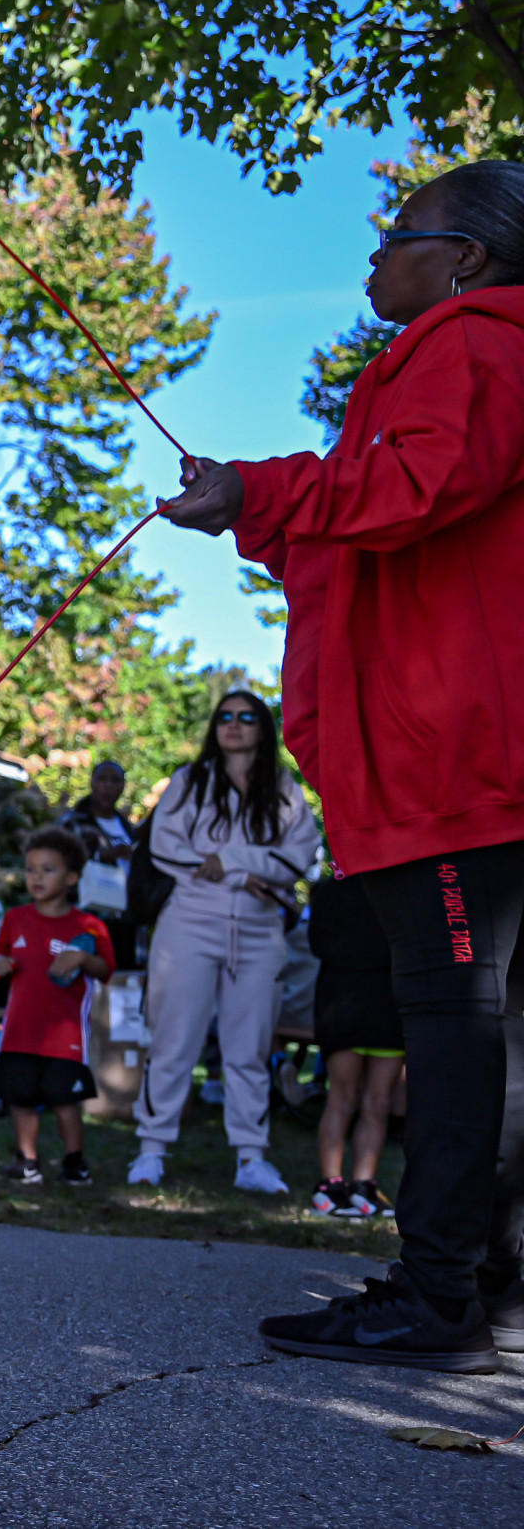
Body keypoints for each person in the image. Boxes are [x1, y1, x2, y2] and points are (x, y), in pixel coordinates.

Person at [162, 161, 524, 1370]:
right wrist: (263, 512)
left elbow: (412, 489)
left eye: (396, 232)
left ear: (464, 256)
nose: (374, 254)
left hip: (456, 755)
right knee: (491, 1023)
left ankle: (435, 1301)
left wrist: (256, 488)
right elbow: (390, 538)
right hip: (470, 747)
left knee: (457, 1020)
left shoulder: (473, 341)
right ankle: (476, 1279)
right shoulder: (471, 354)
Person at [128, 690, 319, 1194]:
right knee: (174, 1038)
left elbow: (299, 853)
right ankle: (151, 1149)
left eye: (246, 717)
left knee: (250, 1046)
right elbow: (166, 844)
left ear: (262, 728)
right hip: (190, 919)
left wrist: (233, 860)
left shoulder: (281, 788)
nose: (234, 725)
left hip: (259, 927)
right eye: (226, 717)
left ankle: (251, 1158)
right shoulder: (191, 782)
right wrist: (242, 866)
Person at [0, 829, 115, 1187]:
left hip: (65, 1036)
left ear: (72, 877)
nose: (37, 877)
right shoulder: (16, 918)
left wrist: (82, 959)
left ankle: (74, 1161)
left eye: (48, 869)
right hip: (20, 1033)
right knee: (21, 1099)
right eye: (31, 870)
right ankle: (27, 1160)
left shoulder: (88, 925)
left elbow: (106, 970)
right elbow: (0, 953)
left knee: (64, 1100)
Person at [306, 872, 403, 1221]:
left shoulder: (399, 884)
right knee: (343, 1097)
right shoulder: (335, 888)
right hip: (344, 1002)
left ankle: (363, 1186)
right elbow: (319, 940)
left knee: (378, 1100)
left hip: (385, 1006)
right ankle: (330, 1186)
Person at [62, 760, 141, 970]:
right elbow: (60, 861)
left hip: (124, 917)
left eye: (115, 781)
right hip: (88, 917)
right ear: (92, 783)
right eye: (102, 779)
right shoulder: (73, 821)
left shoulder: (126, 826)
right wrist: (103, 855)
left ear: (123, 786)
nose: (108, 786)